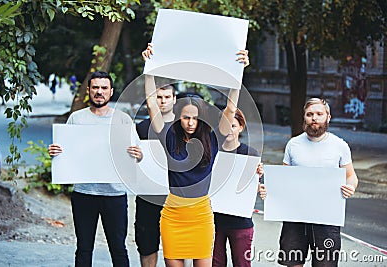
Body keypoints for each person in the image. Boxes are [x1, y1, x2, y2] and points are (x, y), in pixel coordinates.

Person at [142, 43, 249, 267]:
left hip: (201, 215)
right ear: (178, 117)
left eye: (195, 118)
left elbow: (230, 109)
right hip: (172, 215)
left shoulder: (213, 138)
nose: (190, 123)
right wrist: (149, 66)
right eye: (185, 118)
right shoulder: (168, 136)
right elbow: (152, 103)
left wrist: (238, 72)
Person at [48, 71, 142, 267]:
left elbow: (139, 155)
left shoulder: (123, 120)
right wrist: (56, 151)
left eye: (104, 88)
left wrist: (138, 154)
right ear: (89, 90)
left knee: (118, 248)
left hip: (115, 195)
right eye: (96, 88)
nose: (99, 92)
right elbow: (67, 152)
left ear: (111, 92)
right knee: (83, 247)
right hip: (84, 194)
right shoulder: (76, 118)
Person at [278, 97, 358, 267]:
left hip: (327, 218)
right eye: (309, 114)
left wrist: (350, 186)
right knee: (293, 263)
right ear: (304, 117)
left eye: (319, 114)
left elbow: (351, 176)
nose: (314, 118)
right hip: (295, 216)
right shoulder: (293, 144)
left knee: (325, 264)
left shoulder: (340, 146)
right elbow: (283, 178)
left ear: (328, 117)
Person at [212, 108, 267, 267]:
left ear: (241, 127)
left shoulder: (250, 154)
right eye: (225, 125)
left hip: (240, 222)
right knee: (215, 264)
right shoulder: (212, 151)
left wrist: (259, 185)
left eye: (233, 126)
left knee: (242, 264)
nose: (229, 130)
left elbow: (251, 187)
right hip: (215, 220)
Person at [135, 83, 176, 267]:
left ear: (174, 100)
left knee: (176, 246)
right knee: (147, 244)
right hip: (147, 194)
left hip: (175, 195)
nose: (163, 101)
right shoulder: (141, 128)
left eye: (167, 97)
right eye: (159, 97)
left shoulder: (184, 126)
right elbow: (130, 159)